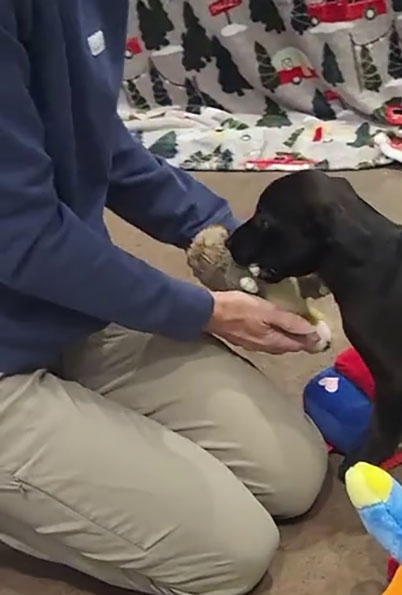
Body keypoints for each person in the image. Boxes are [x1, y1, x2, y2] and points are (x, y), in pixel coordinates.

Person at [0, 2, 328, 594]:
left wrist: (224, 241)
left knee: (293, 473)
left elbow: (96, 139)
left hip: (65, 311)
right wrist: (200, 312)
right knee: (231, 554)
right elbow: (21, 235)